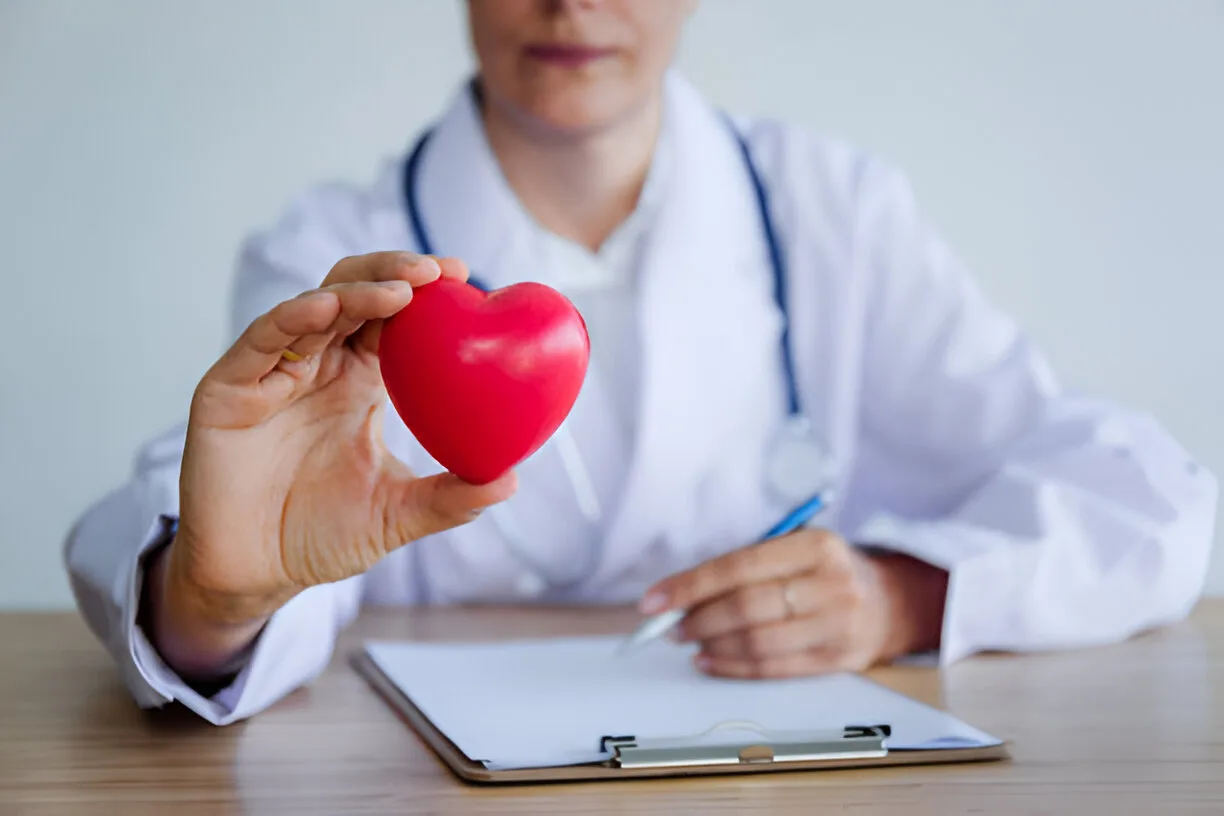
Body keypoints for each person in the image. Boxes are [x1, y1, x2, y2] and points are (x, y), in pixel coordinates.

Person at [65, 0, 1217, 726]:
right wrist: (219, 599)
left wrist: (900, 592)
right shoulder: (331, 251)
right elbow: (208, 529)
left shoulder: (833, 211)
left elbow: (1148, 497)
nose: (571, 2)